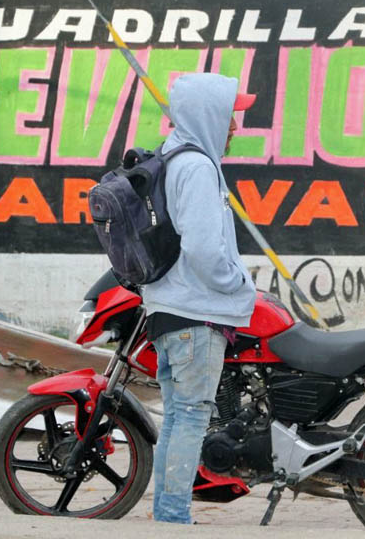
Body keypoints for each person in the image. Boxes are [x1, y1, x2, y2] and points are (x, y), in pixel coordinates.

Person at [141, 72, 258, 524]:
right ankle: (173, 517)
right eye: (230, 116)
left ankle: (167, 513)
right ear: (208, 115)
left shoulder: (172, 158)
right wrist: (239, 285)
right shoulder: (198, 168)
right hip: (197, 315)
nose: (234, 127)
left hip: (170, 312)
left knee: (177, 418)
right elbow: (206, 252)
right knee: (190, 418)